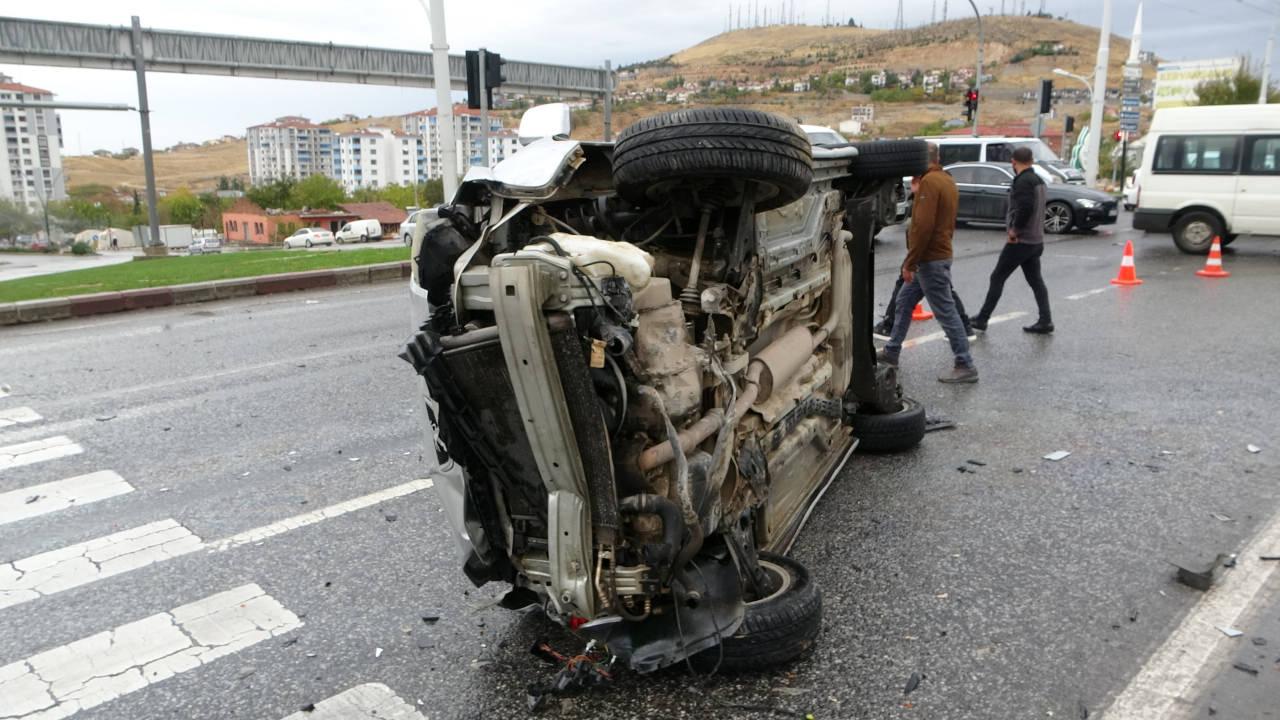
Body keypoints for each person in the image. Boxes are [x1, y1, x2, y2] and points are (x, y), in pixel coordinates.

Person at [876, 143, 978, 384]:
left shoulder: (930, 183)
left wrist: (910, 263)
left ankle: (965, 363)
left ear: (921, 160)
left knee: (946, 311)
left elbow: (923, 226)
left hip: (929, 259)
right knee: (904, 301)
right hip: (934, 256)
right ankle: (892, 351)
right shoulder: (946, 180)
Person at [970, 146, 1053, 335]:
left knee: (997, 277)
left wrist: (1015, 230)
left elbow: (1025, 207)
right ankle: (1046, 320)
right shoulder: (1039, 180)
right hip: (1036, 240)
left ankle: (982, 318)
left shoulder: (1023, 181)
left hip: (1021, 241)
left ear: (1013, 162)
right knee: (1036, 281)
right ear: (1031, 161)